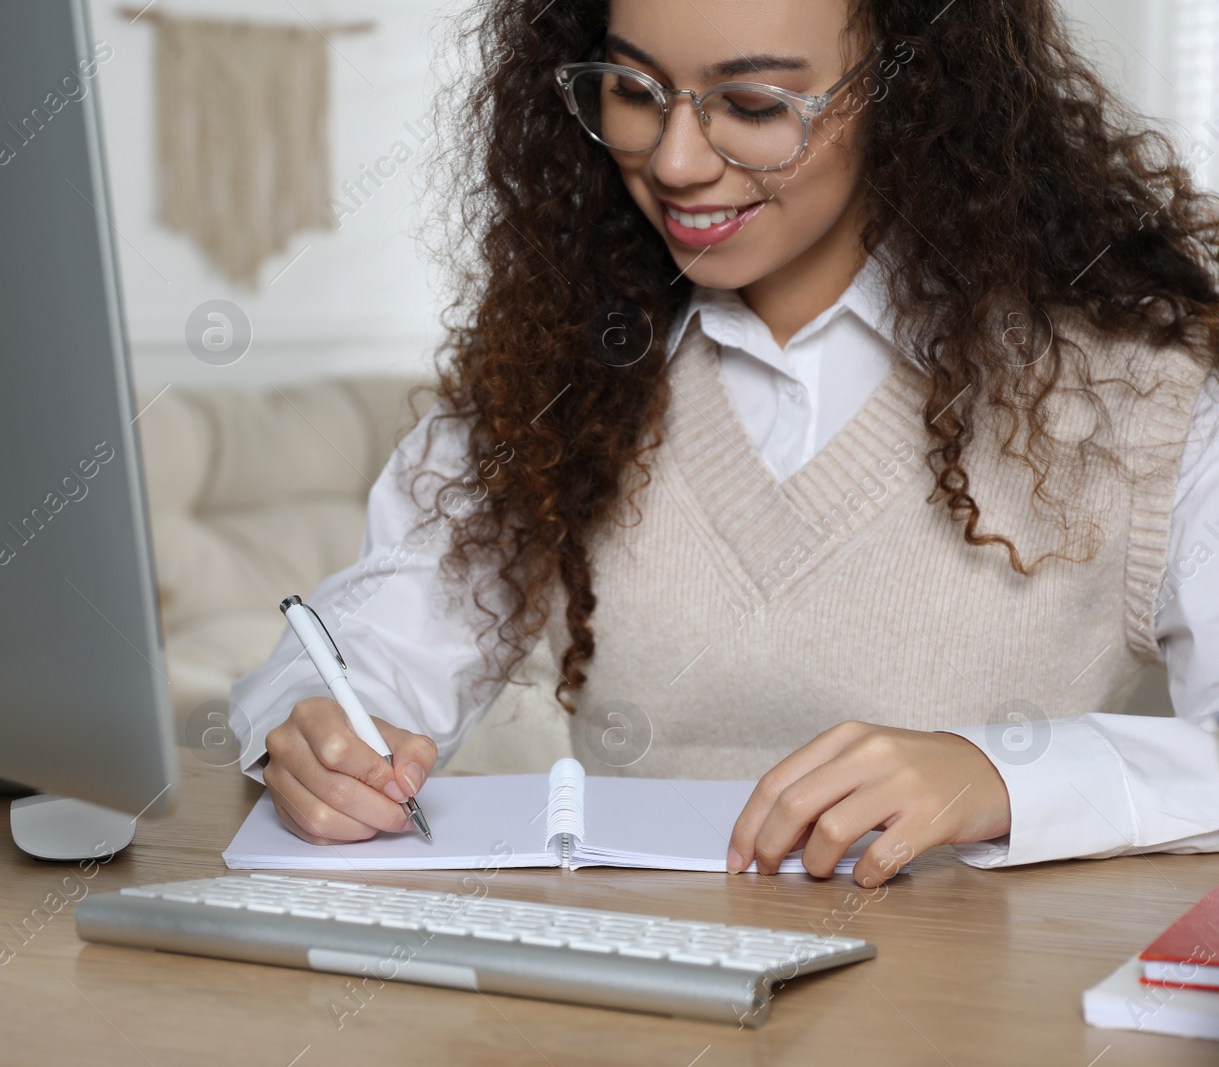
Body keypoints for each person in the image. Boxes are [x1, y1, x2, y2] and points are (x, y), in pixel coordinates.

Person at [227, 0, 1219, 888]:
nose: (673, 160)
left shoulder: (1145, 388)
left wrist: (1005, 774)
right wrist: (315, 727)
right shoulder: (557, 370)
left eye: (750, 103)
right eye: (631, 89)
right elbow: (364, 652)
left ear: (912, 93)